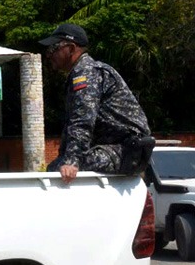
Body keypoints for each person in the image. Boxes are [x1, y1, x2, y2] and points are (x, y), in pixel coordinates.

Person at [40, 23, 153, 183]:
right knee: (57, 166)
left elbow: (82, 121)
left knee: (58, 168)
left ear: (71, 49)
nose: (49, 55)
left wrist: (71, 161)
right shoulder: (81, 73)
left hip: (126, 150)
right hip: (116, 149)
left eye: (53, 49)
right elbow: (72, 126)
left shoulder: (87, 73)